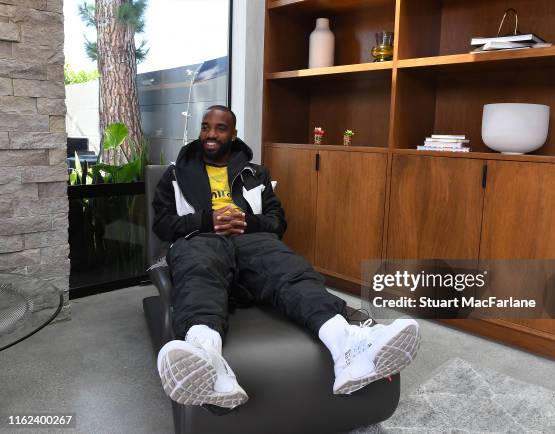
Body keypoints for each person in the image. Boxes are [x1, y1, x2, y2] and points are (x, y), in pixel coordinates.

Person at [152, 105, 420, 409]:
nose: (210, 134)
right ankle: (205, 356)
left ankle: (346, 344)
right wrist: (206, 221)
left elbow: (277, 221)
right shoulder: (175, 174)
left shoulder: (256, 174)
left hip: (249, 238)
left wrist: (247, 222)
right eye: (205, 127)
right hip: (199, 238)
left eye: (220, 128)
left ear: (234, 134)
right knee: (199, 269)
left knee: (288, 267)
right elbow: (161, 225)